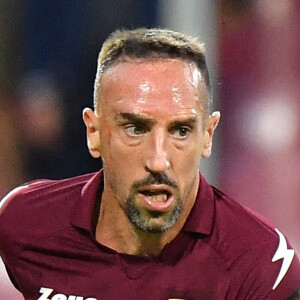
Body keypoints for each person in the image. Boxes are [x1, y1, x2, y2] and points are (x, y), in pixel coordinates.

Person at [0, 28, 299, 300]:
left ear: (207, 136)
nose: (158, 161)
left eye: (180, 131)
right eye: (135, 129)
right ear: (94, 133)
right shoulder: (25, 223)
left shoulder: (259, 265)